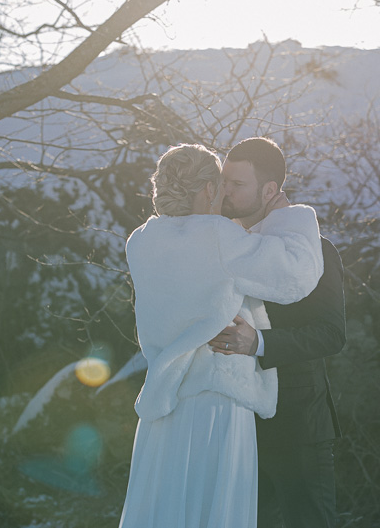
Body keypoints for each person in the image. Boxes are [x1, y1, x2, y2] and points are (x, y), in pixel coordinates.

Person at [118, 143, 324, 528]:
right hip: (216, 399)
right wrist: (286, 218)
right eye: (219, 182)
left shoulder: (141, 242)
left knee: (166, 511)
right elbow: (296, 274)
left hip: (166, 402)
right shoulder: (216, 235)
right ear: (207, 189)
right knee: (216, 512)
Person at [208, 137, 346, 528]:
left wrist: (260, 343)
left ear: (270, 191)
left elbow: (331, 334)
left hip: (298, 425)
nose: (225, 192)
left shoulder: (316, 251)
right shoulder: (230, 247)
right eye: (224, 182)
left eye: (237, 185)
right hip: (237, 422)